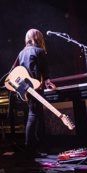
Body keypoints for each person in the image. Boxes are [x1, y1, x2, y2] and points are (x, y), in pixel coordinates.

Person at [11, 28, 56, 156]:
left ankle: (39, 146)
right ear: (38, 38)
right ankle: (29, 148)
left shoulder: (21, 53)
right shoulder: (39, 51)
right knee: (33, 115)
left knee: (37, 115)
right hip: (36, 87)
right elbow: (44, 71)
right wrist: (48, 82)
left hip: (25, 88)